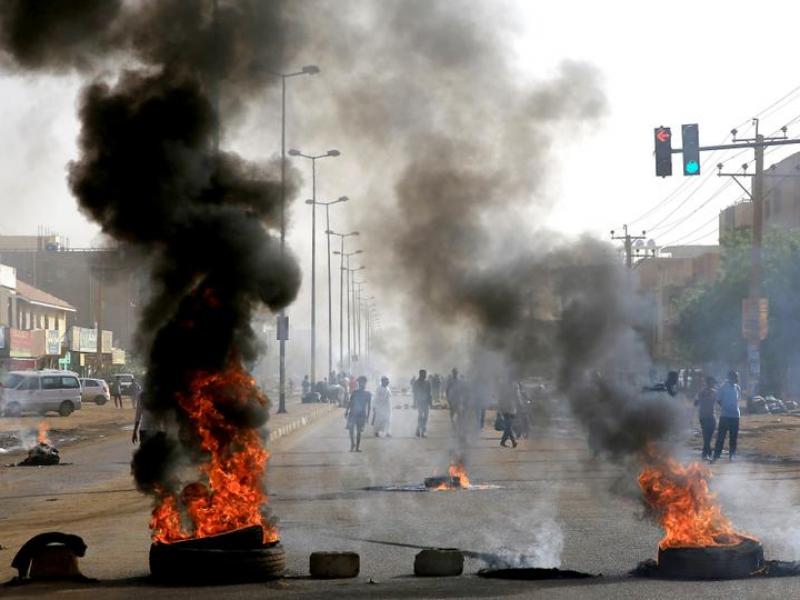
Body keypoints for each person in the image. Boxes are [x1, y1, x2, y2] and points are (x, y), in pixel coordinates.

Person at [713, 370, 741, 463]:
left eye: (736, 377)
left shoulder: (737, 388)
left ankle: (732, 455)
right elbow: (718, 400)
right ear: (729, 377)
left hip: (735, 416)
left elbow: (738, 400)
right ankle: (716, 455)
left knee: (733, 437)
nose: (735, 378)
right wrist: (725, 407)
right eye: (734, 376)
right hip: (725, 415)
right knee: (721, 436)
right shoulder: (723, 387)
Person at [345, 376, 371, 452]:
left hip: (361, 414)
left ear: (365, 384)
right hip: (353, 413)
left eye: (363, 383)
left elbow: (369, 407)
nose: (361, 384)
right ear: (358, 384)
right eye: (360, 383)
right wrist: (346, 411)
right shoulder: (355, 392)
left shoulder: (368, 394)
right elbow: (350, 402)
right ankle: (353, 444)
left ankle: (357, 447)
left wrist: (367, 417)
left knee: (359, 432)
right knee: (351, 430)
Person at [131, 380, 162, 445]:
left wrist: (135, 430)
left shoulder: (142, 395)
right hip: (155, 430)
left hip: (145, 430)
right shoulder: (159, 395)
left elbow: (138, 415)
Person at [695, 376, 717, 460]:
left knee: (709, 436)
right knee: (706, 436)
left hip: (712, 416)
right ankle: (707, 453)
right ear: (708, 383)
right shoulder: (701, 392)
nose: (713, 384)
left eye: (713, 382)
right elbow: (696, 403)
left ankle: (705, 453)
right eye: (711, 382)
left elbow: (719, 402)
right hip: (704, 416)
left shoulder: (715, 392)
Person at [496, 378, 518, 448]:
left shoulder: (505, 387)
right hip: (509, 409)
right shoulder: (514, 386)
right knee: (509, 427)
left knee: (509, 427)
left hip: (509, 409)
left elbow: (500, 399)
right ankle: (506, 441)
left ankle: (511, 442)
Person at [412, 369, 432, 438]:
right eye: (424, 374)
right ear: (420, 374)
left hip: (426, 402)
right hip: (419, 402)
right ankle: (419, 430)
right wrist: (414, 403)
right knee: (420, 416)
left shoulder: (427, 382)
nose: (425, 375)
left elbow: (430, 393)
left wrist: (431, 403)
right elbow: (414, 394)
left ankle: (422, 431)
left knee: (425, 417)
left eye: (425, 374)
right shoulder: (416, 383)